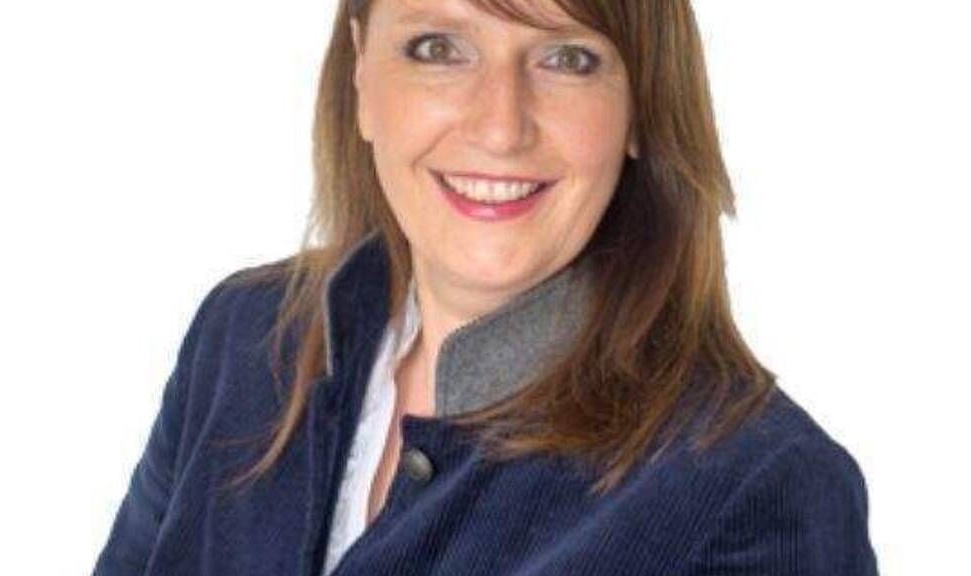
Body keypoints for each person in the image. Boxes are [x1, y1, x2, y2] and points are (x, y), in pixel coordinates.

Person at [92, 0, 879, 574]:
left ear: (642, 104)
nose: (501, 127)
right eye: (438, 47)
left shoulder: (761, 488)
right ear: (361, 74)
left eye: (568, 58)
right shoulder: (242, 336)